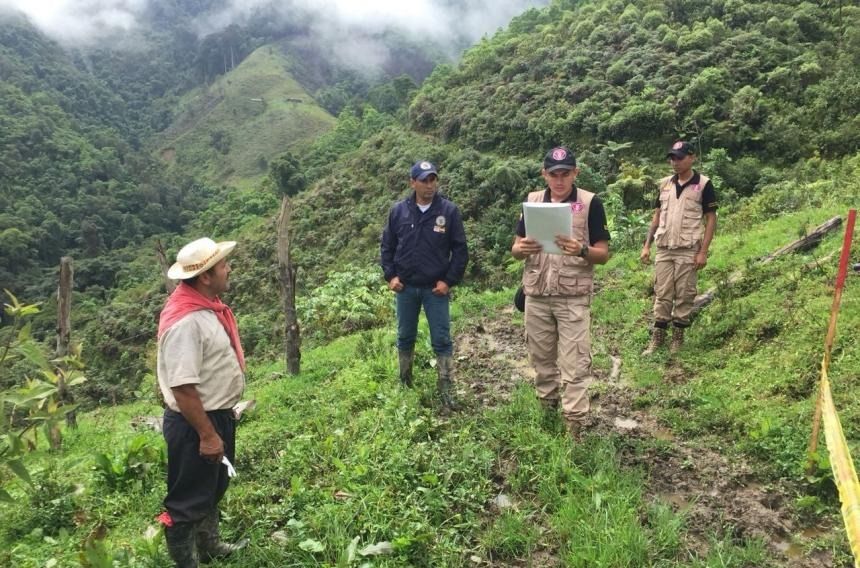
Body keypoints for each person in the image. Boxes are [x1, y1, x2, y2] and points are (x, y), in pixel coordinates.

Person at [156, 237, 248, 567]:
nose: (229, 269)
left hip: (215, 415)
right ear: (205, 276)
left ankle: (209, 545)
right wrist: (208, 435)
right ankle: (187, 560)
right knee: (188, 498)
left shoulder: (205, 307)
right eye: (223, 265)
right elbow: (183, 388)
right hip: (197, 423)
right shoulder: (186, 322)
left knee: (212, 486)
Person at [511, 146, 611, 439]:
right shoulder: (532, 202)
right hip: (537, 295)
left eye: (565, 173)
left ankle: (573, 428)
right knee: (541, 359)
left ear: (575, 173)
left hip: (573, 298)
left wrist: (581, 250)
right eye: (553, 174)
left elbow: (603, 254)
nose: (559, 180)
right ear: (545, 174)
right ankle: (547, 411)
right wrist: (522, 248)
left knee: (575, 363)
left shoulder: (590, 203)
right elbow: (515, 248)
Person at [380, 160, 468, 411]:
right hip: (405, 288)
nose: (430, 185)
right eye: (424, 180)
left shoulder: (448, 211)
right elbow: (387, 246)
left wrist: (448, 281)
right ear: (412, 182)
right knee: (405, 336)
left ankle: (446, 387)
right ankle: (405, 381)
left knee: (441, 338)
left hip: (434, 289)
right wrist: (391, 276)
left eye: (433, 179)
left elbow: (460, 251)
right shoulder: (398, 211)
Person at [640, 140, 718, 355]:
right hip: (664, 247)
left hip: (688, 248)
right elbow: (656, 217)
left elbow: (711, 219)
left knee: (684, 293)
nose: (675, 162)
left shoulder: (703, 184)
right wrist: (647, 245)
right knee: (662, 292)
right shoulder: (665, 184)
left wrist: (703, 251)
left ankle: (678, 337)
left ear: (692, 157)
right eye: (672, 157)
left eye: (680, 157)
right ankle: (657, 338)